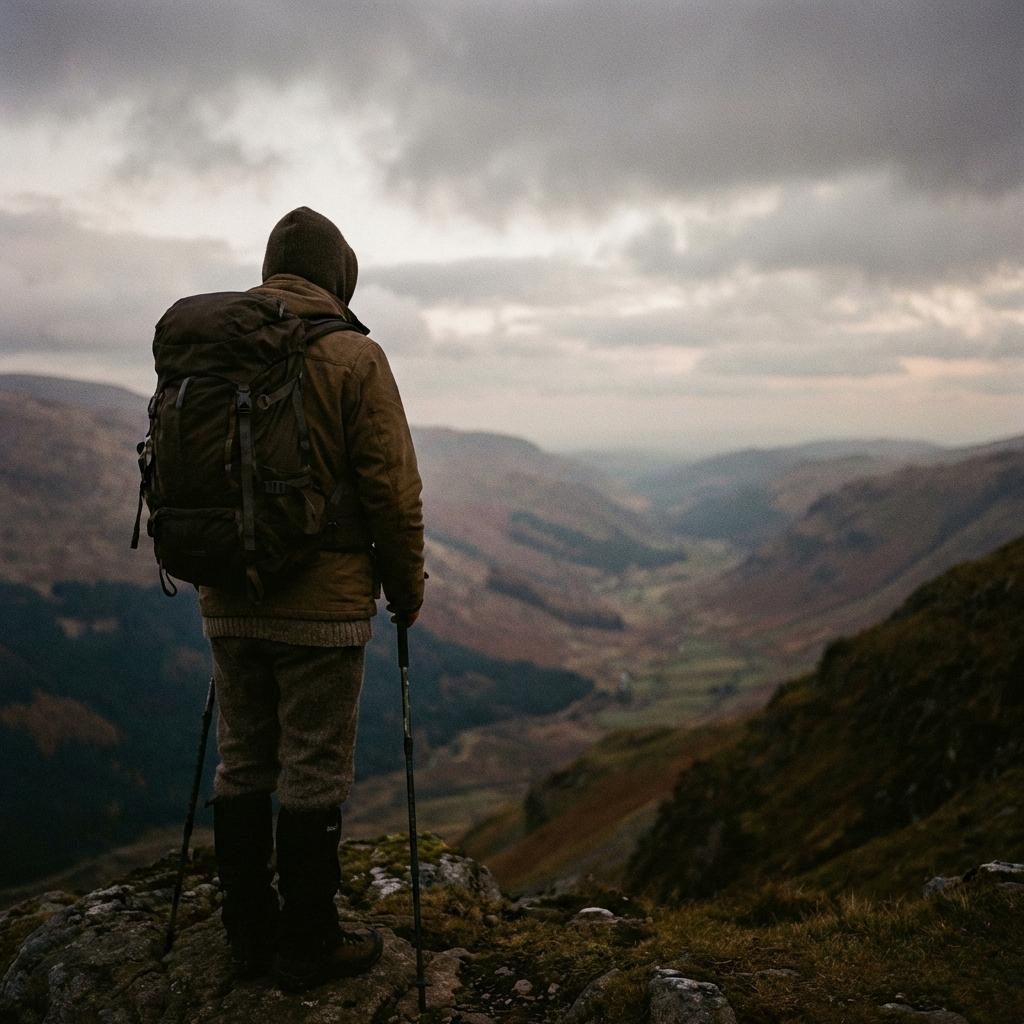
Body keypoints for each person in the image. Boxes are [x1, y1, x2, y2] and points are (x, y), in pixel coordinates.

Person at [200, 207, 425, 991]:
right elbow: (391, 491)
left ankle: (246, 936)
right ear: (342, 275)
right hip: (322, 607)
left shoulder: (217, 352)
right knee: (314, 771)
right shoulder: (353, 356)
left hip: (226, 594)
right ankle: (308, 943)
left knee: (243, 761)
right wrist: (407, 589)